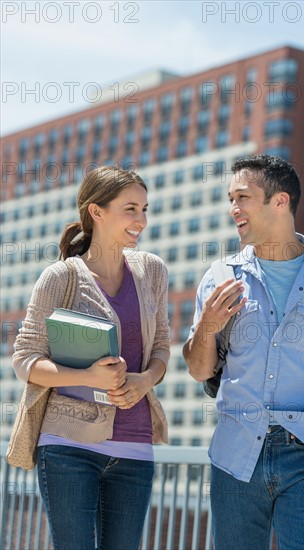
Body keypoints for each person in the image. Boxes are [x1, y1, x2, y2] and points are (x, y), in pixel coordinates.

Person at [183, 155, 304, 550]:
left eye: (243, 197)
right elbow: (199, 370)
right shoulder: (219, 278)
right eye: (231, 198)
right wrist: (208, 328)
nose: (234, 208)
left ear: (280, 202)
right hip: (236, 452)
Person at [13, 166, 170, 550]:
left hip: (135, 446)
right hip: (68, 445)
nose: (141, 220)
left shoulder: (151, 271)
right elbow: (25, 360)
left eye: (145, 209)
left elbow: (163, 346)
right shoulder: (61, 277)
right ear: (96, 211)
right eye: (130, 209)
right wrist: (90, 377)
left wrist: (144, 380)